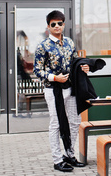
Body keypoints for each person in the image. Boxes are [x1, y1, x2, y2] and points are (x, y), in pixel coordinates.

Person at [33, 10, 89, 172]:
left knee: (75, 122)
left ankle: (69, 154)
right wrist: (54, 78)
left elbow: (75, 62)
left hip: (71, 88)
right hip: (53, 90)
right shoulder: (43, 46)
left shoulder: (70, 42)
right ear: (48, 26)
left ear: (64, 25)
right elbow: (37, 70)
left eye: (60, 23)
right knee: (56, 124)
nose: (57, 26)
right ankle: (57, 160)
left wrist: (83, 67)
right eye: (53, 24)